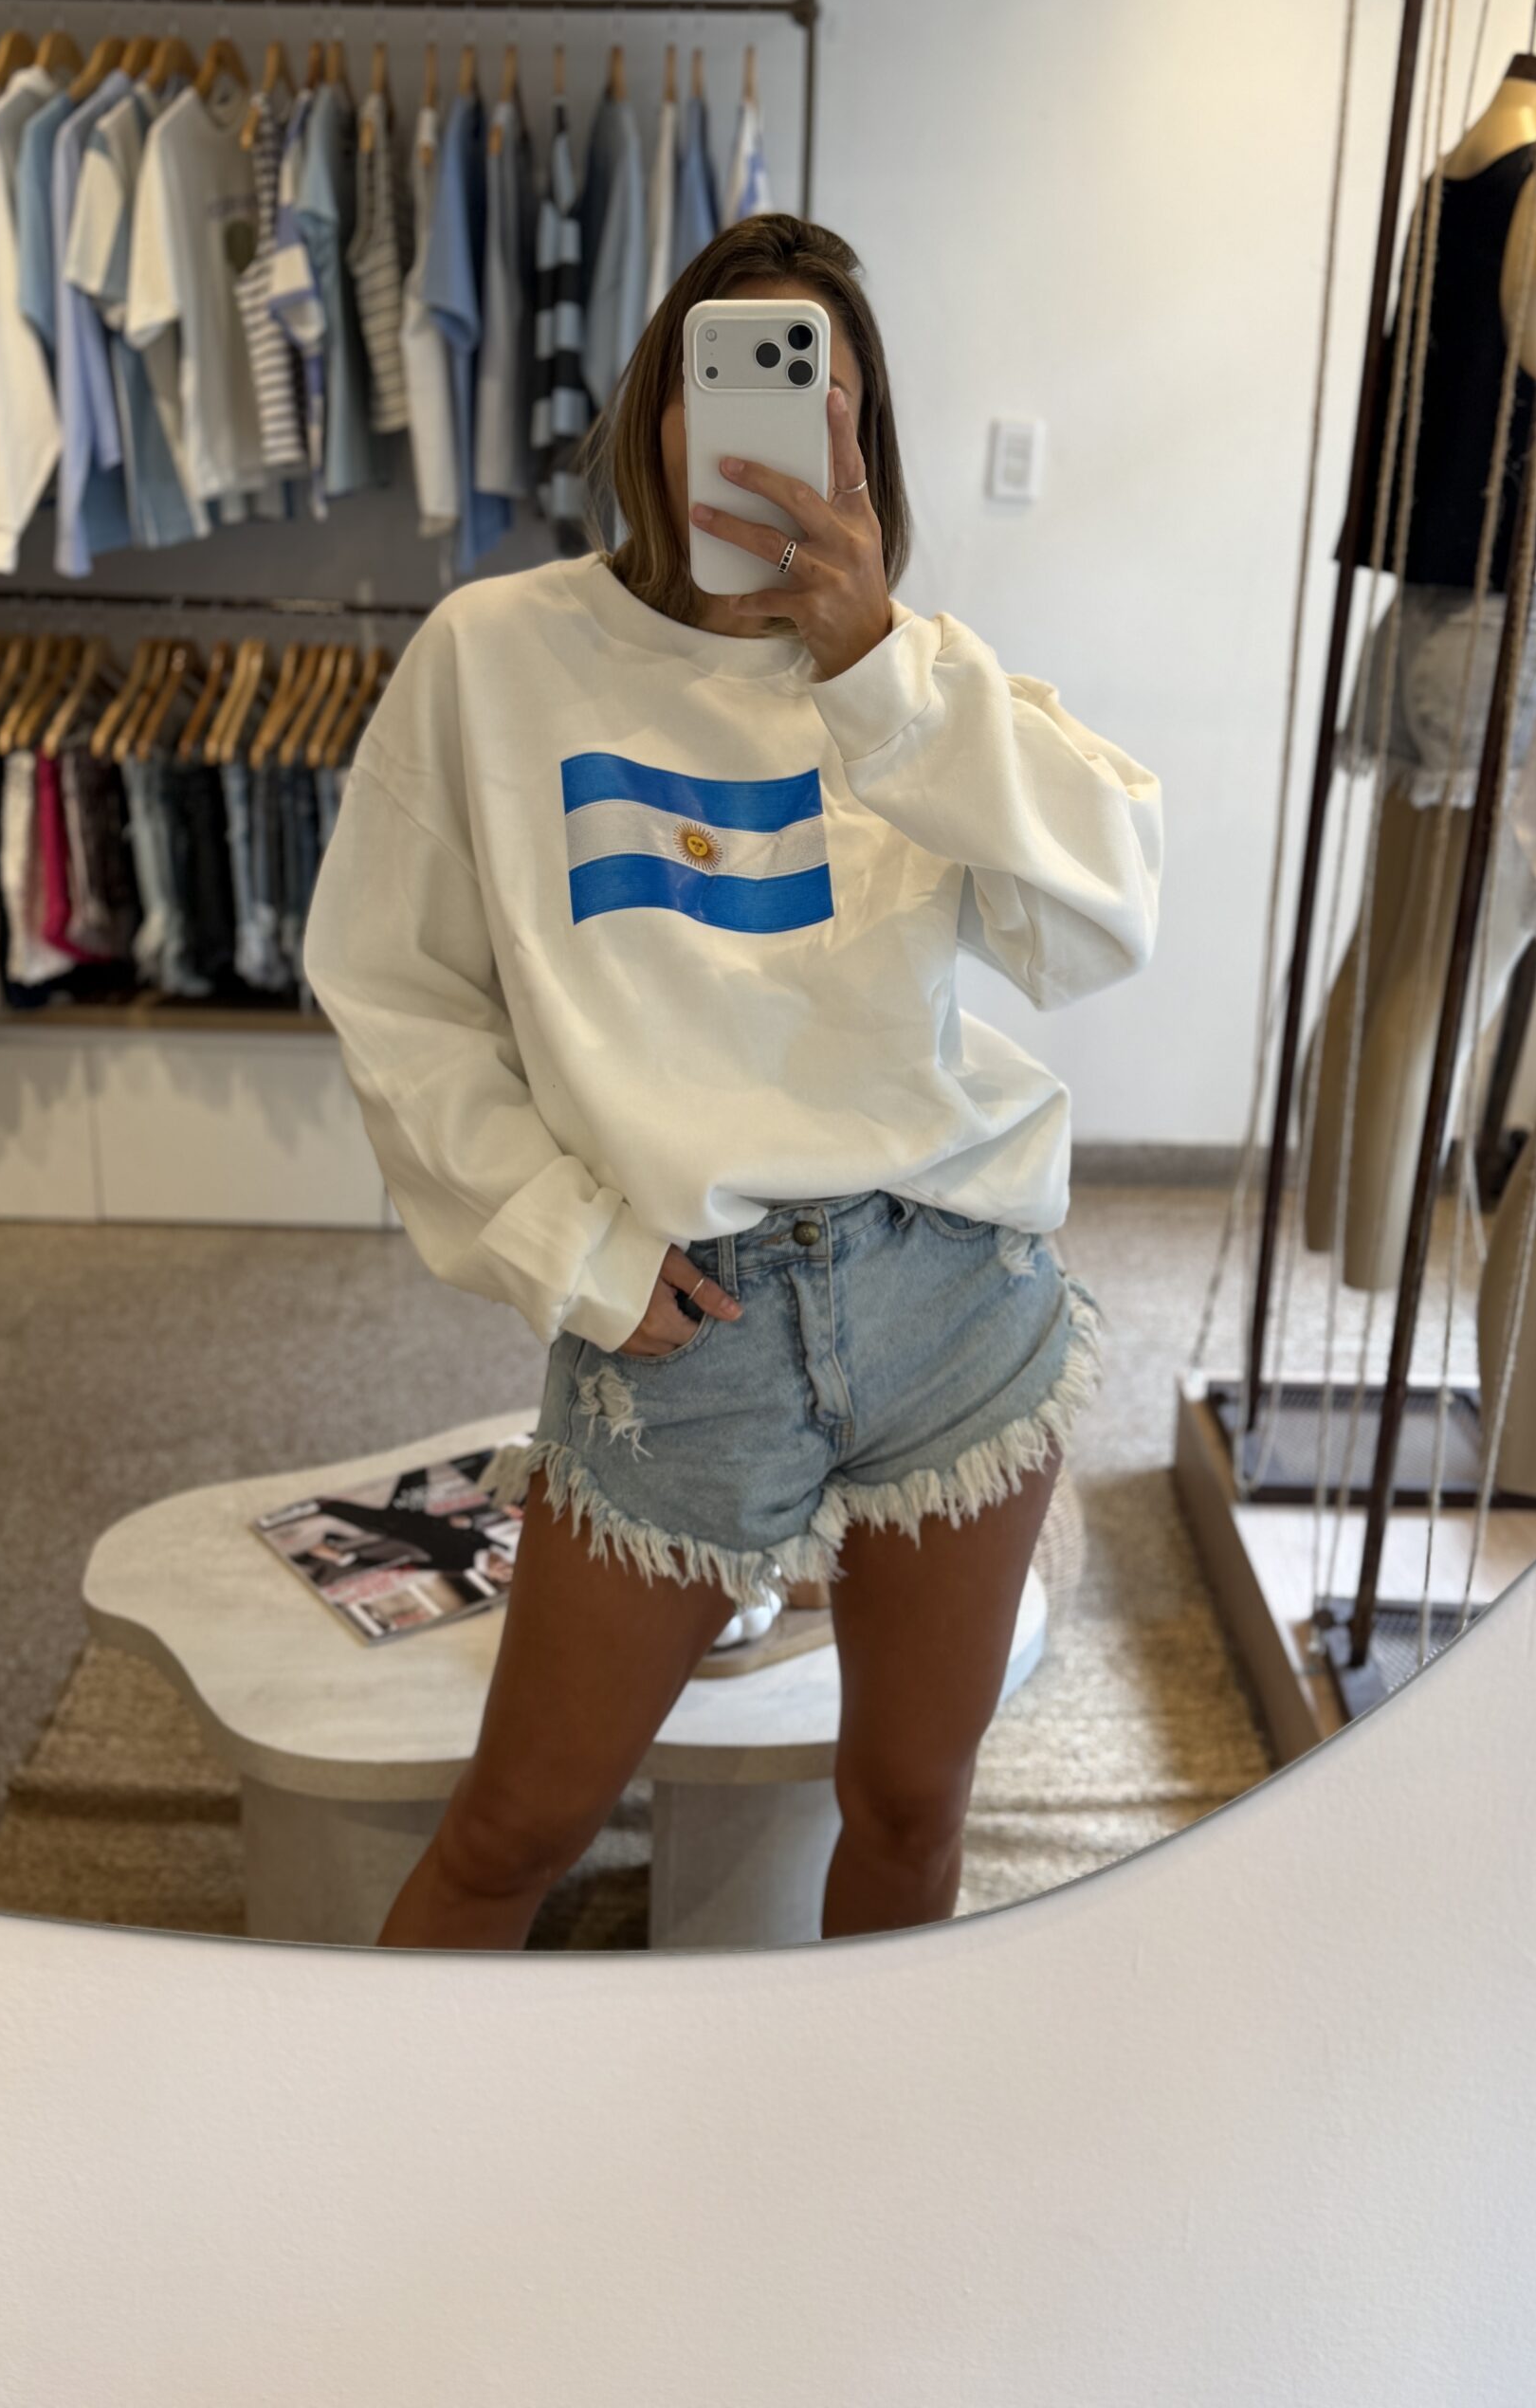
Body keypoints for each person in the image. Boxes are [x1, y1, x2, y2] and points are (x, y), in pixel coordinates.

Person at [303, 212, 1163, 1950]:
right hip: (678, 1323)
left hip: (948, 1295)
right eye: (733, 368)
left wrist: (884, 671)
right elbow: (393, 993)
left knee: (912, 1805)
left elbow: (1105, 918)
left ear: (863, 439)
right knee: (513, 1828)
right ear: (660, 403)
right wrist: (568, 1248)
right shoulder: (499, 654)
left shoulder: (916, 681)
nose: (771, 417)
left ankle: (850, 2121)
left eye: (817, 385)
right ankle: (383, 2119)